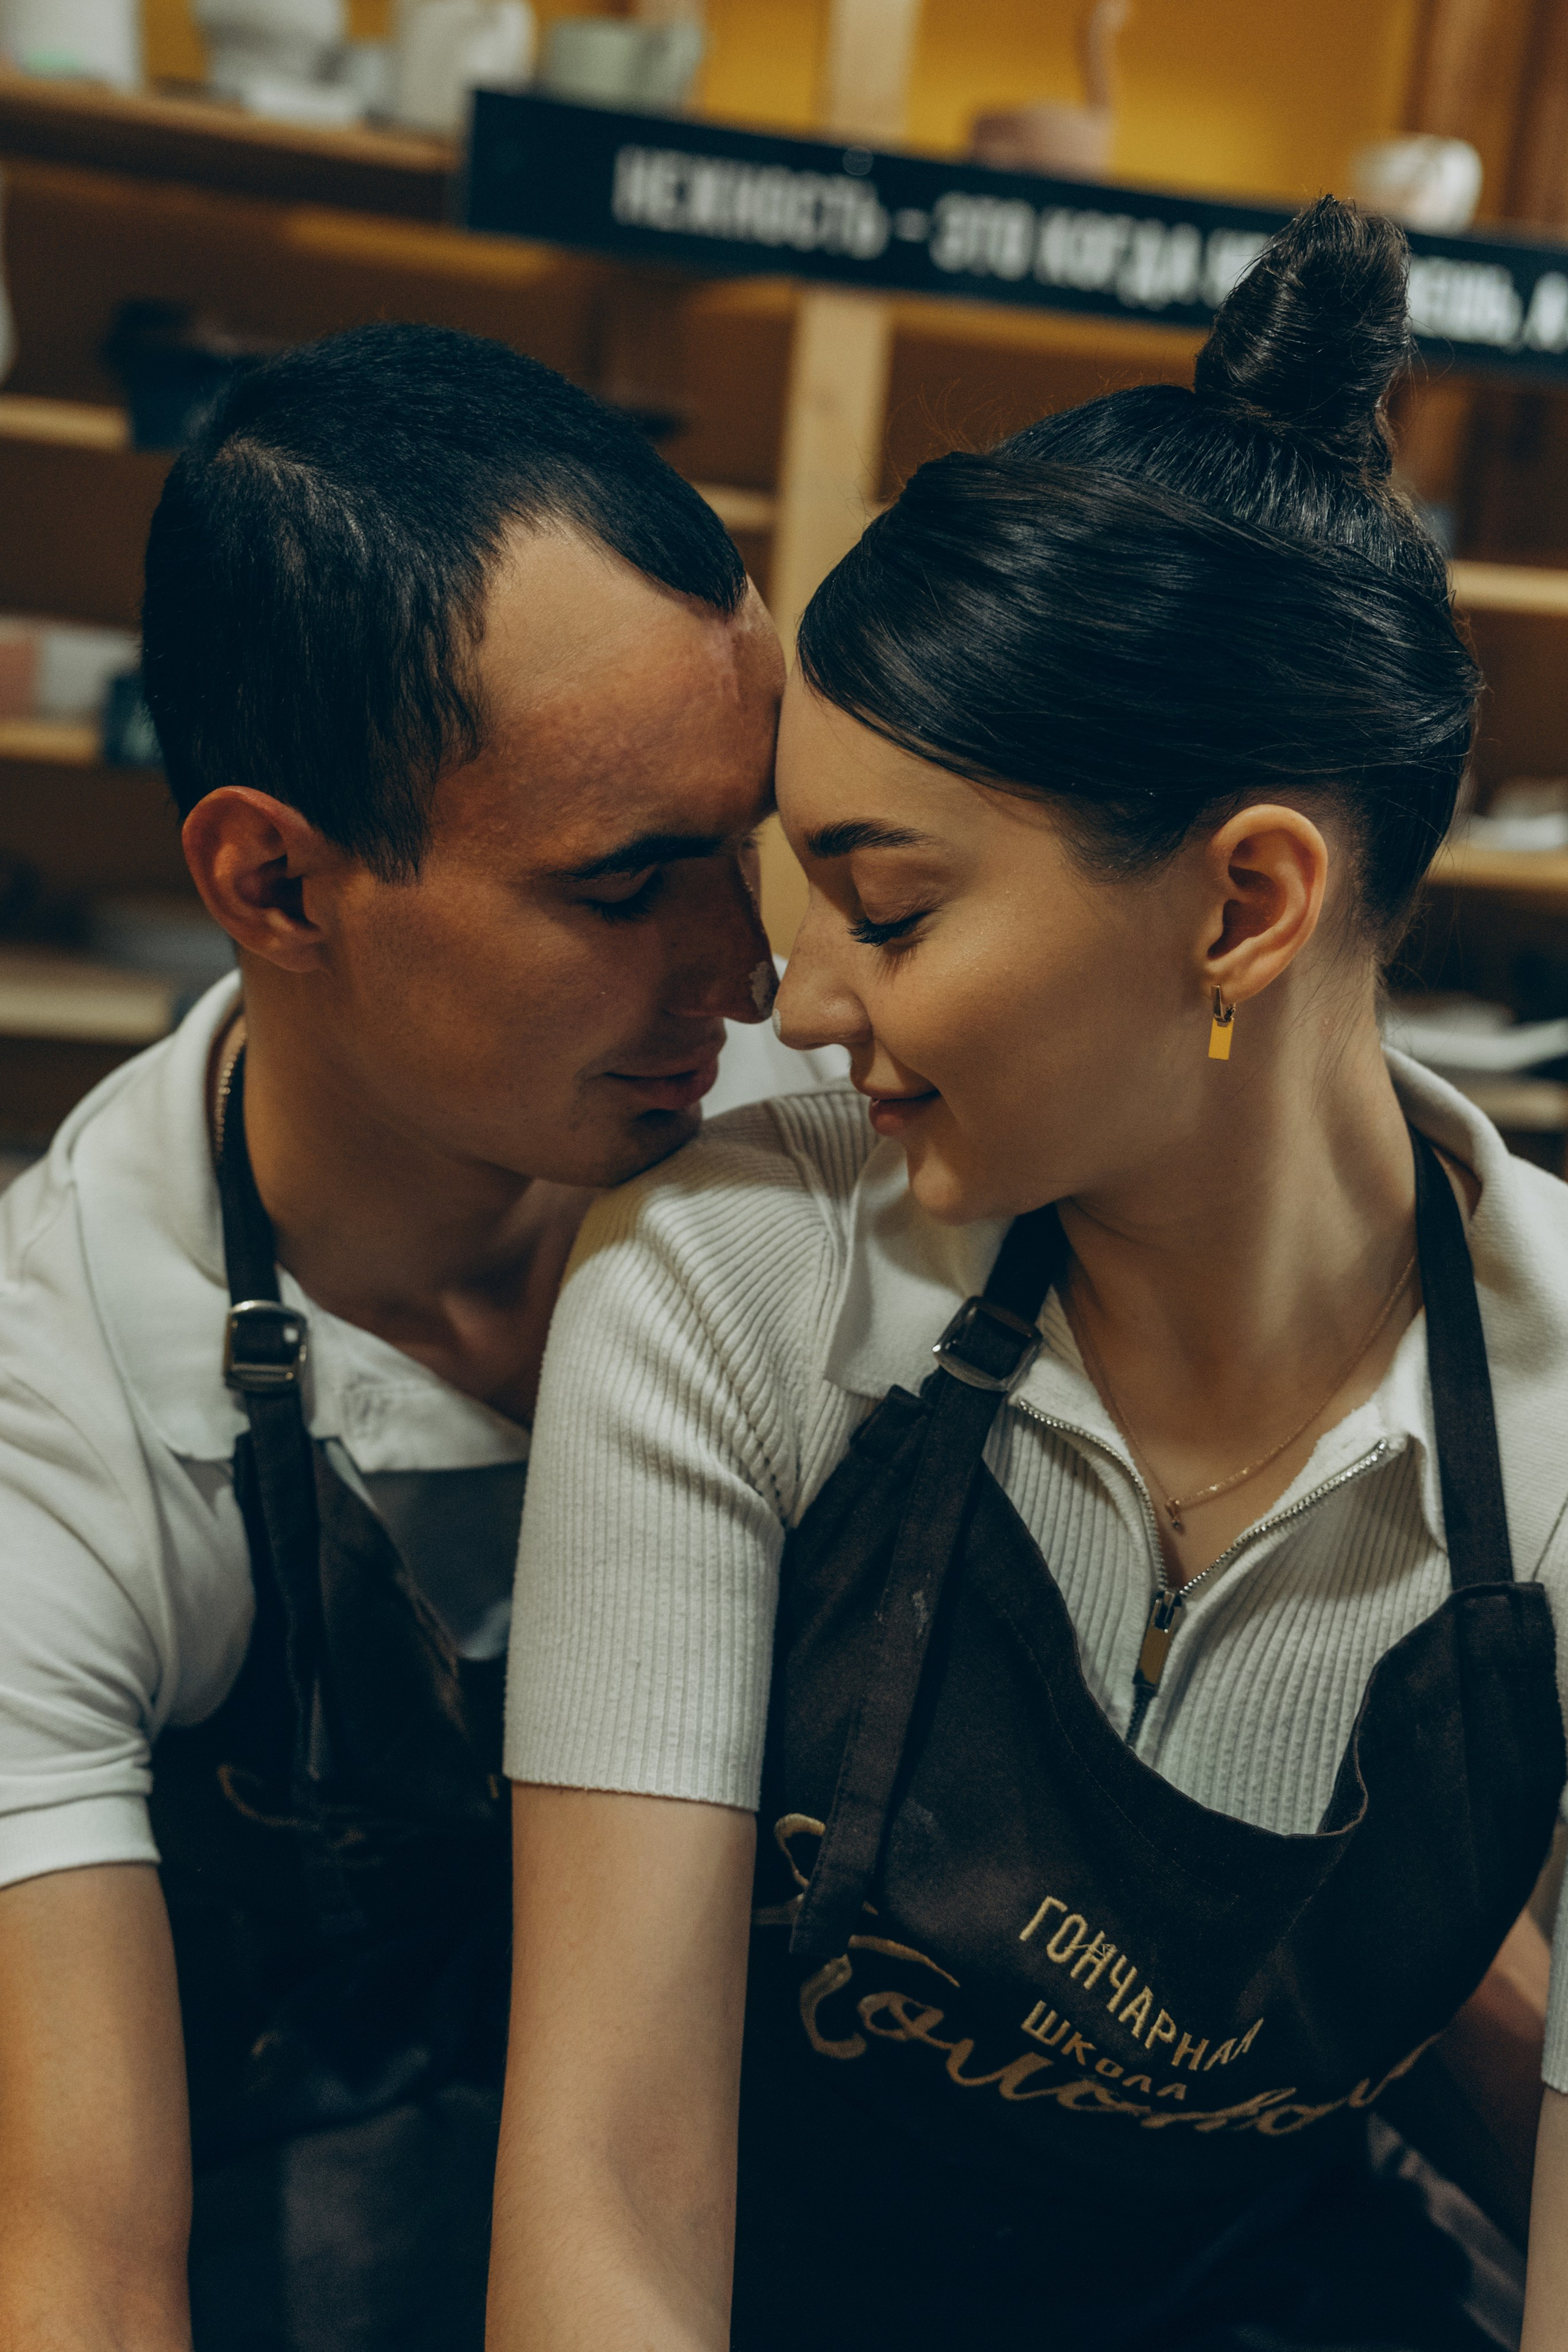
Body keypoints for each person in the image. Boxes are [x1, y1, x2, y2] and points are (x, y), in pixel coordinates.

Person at [492, 200, 1568, 2352]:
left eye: (887, 915)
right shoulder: (737, 1279)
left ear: (1246, 900)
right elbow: (604, 2197)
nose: (792, 1003)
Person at [0, 322, 843, 2352]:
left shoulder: (819, 1174)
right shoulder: (59, 1411)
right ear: (273, 879)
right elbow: (83, 2263)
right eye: (632, 883)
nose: (751, 975)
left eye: (754, 846)